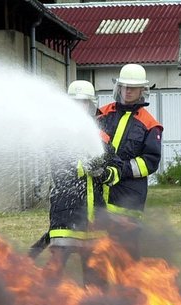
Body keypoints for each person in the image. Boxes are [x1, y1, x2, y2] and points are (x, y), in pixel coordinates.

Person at [30, 80, 108, 286]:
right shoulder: (57, 133)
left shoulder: (99, 135)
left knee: (95, 278)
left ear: (90, 105)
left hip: (95, 218)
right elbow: (60, 166)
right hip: (65, 216)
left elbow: (114, 164)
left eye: (83, 102)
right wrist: (86, 167)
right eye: (75, 102)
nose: (79, 107)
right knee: (55, 273)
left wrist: (107, 172)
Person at [96, 63, 163, 258]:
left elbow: (149, 162)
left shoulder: (150, 125)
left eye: (132, 88)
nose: (127, 91)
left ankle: (129, 287)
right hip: (100, 196)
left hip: (128, 198)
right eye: (124, 86)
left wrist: (120, 170)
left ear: (143, 90)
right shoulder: (102, 113)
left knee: (125, 252)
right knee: (100, 251)